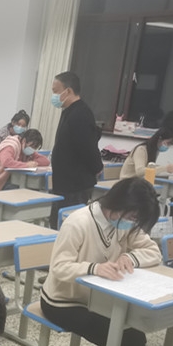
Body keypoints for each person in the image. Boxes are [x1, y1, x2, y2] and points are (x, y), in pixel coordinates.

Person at [40, 178, 161, 346]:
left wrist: (130, 257)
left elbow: (153, 252)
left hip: (98, 300)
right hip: (62, 300)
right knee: (113, 334)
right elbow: (59, 267)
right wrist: (94, 268)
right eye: (133, 217)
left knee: (135, 335)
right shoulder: (78, 222)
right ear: (118, 204)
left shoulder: (126, 222)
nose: (133, 223)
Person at [48, 71, 103, 230]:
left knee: (70, 227)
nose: (54, 96)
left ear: (68, 91)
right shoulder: (69, 111)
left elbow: (88, 147)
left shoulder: (81, 114)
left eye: (56, 91)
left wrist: (98, 167)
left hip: (75, 185)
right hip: (64, 182)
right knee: (57, 223)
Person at [0, 129, 49, 193]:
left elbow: (45, 161)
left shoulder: (26, 149)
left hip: (2, 181)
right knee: (18, 190)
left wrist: (34, 163)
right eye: (32, 146)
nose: (33, 149)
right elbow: (6, 162)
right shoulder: (10, 146)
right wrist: (26, 165)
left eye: (35, 148)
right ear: (24, 141)